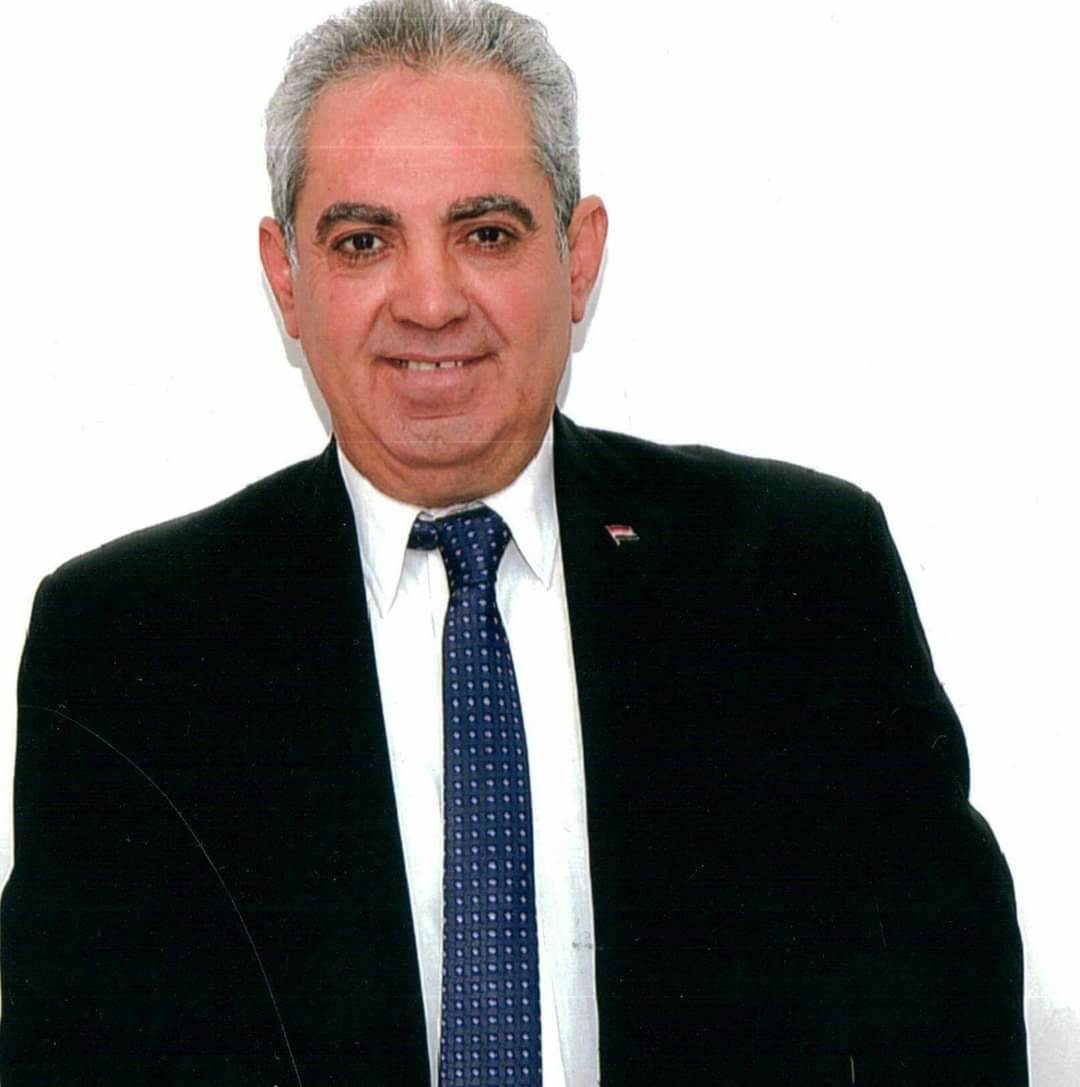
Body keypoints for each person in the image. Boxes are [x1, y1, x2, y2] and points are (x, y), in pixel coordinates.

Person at [0, 1, 1026, 1083]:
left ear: (579, 259)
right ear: (287, 277)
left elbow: (947, 1030)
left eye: (486, 233)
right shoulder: (129, 650)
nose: (429, 301)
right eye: (363, 241)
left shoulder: (800, 582)